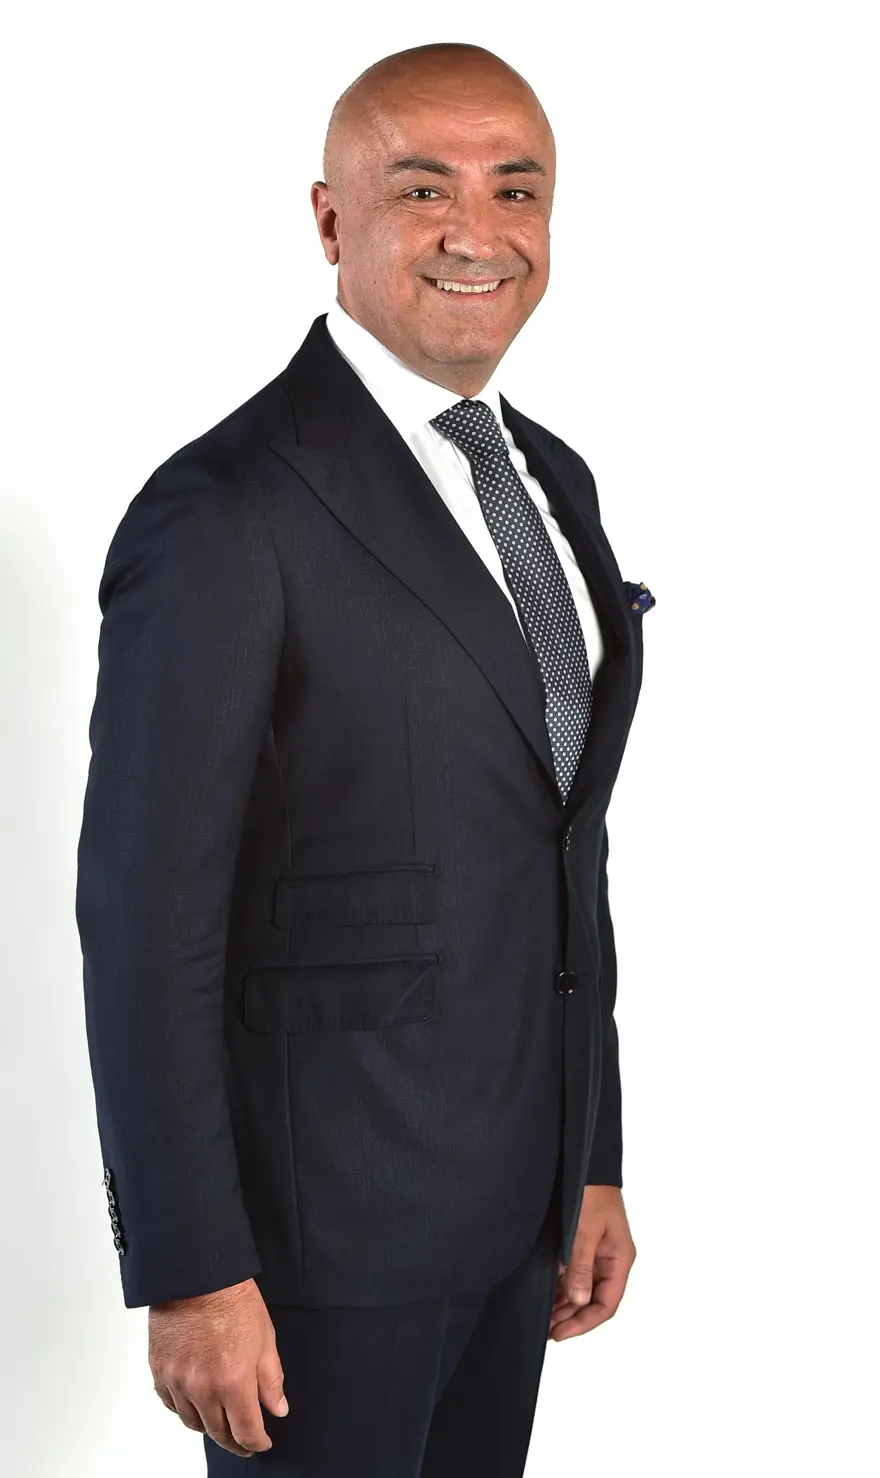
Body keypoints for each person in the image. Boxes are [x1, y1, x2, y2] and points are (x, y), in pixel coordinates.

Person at [76, 40, 653, 1478]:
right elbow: (143, 921)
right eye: (422, 188)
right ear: (331, 221)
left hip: (517, 1214)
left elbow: (560, 844)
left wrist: (589, 1155)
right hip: (313, 1250)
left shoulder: (551, 479)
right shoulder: (225, 509)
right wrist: (192, 1269)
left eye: (516, 189)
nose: (477, 231)